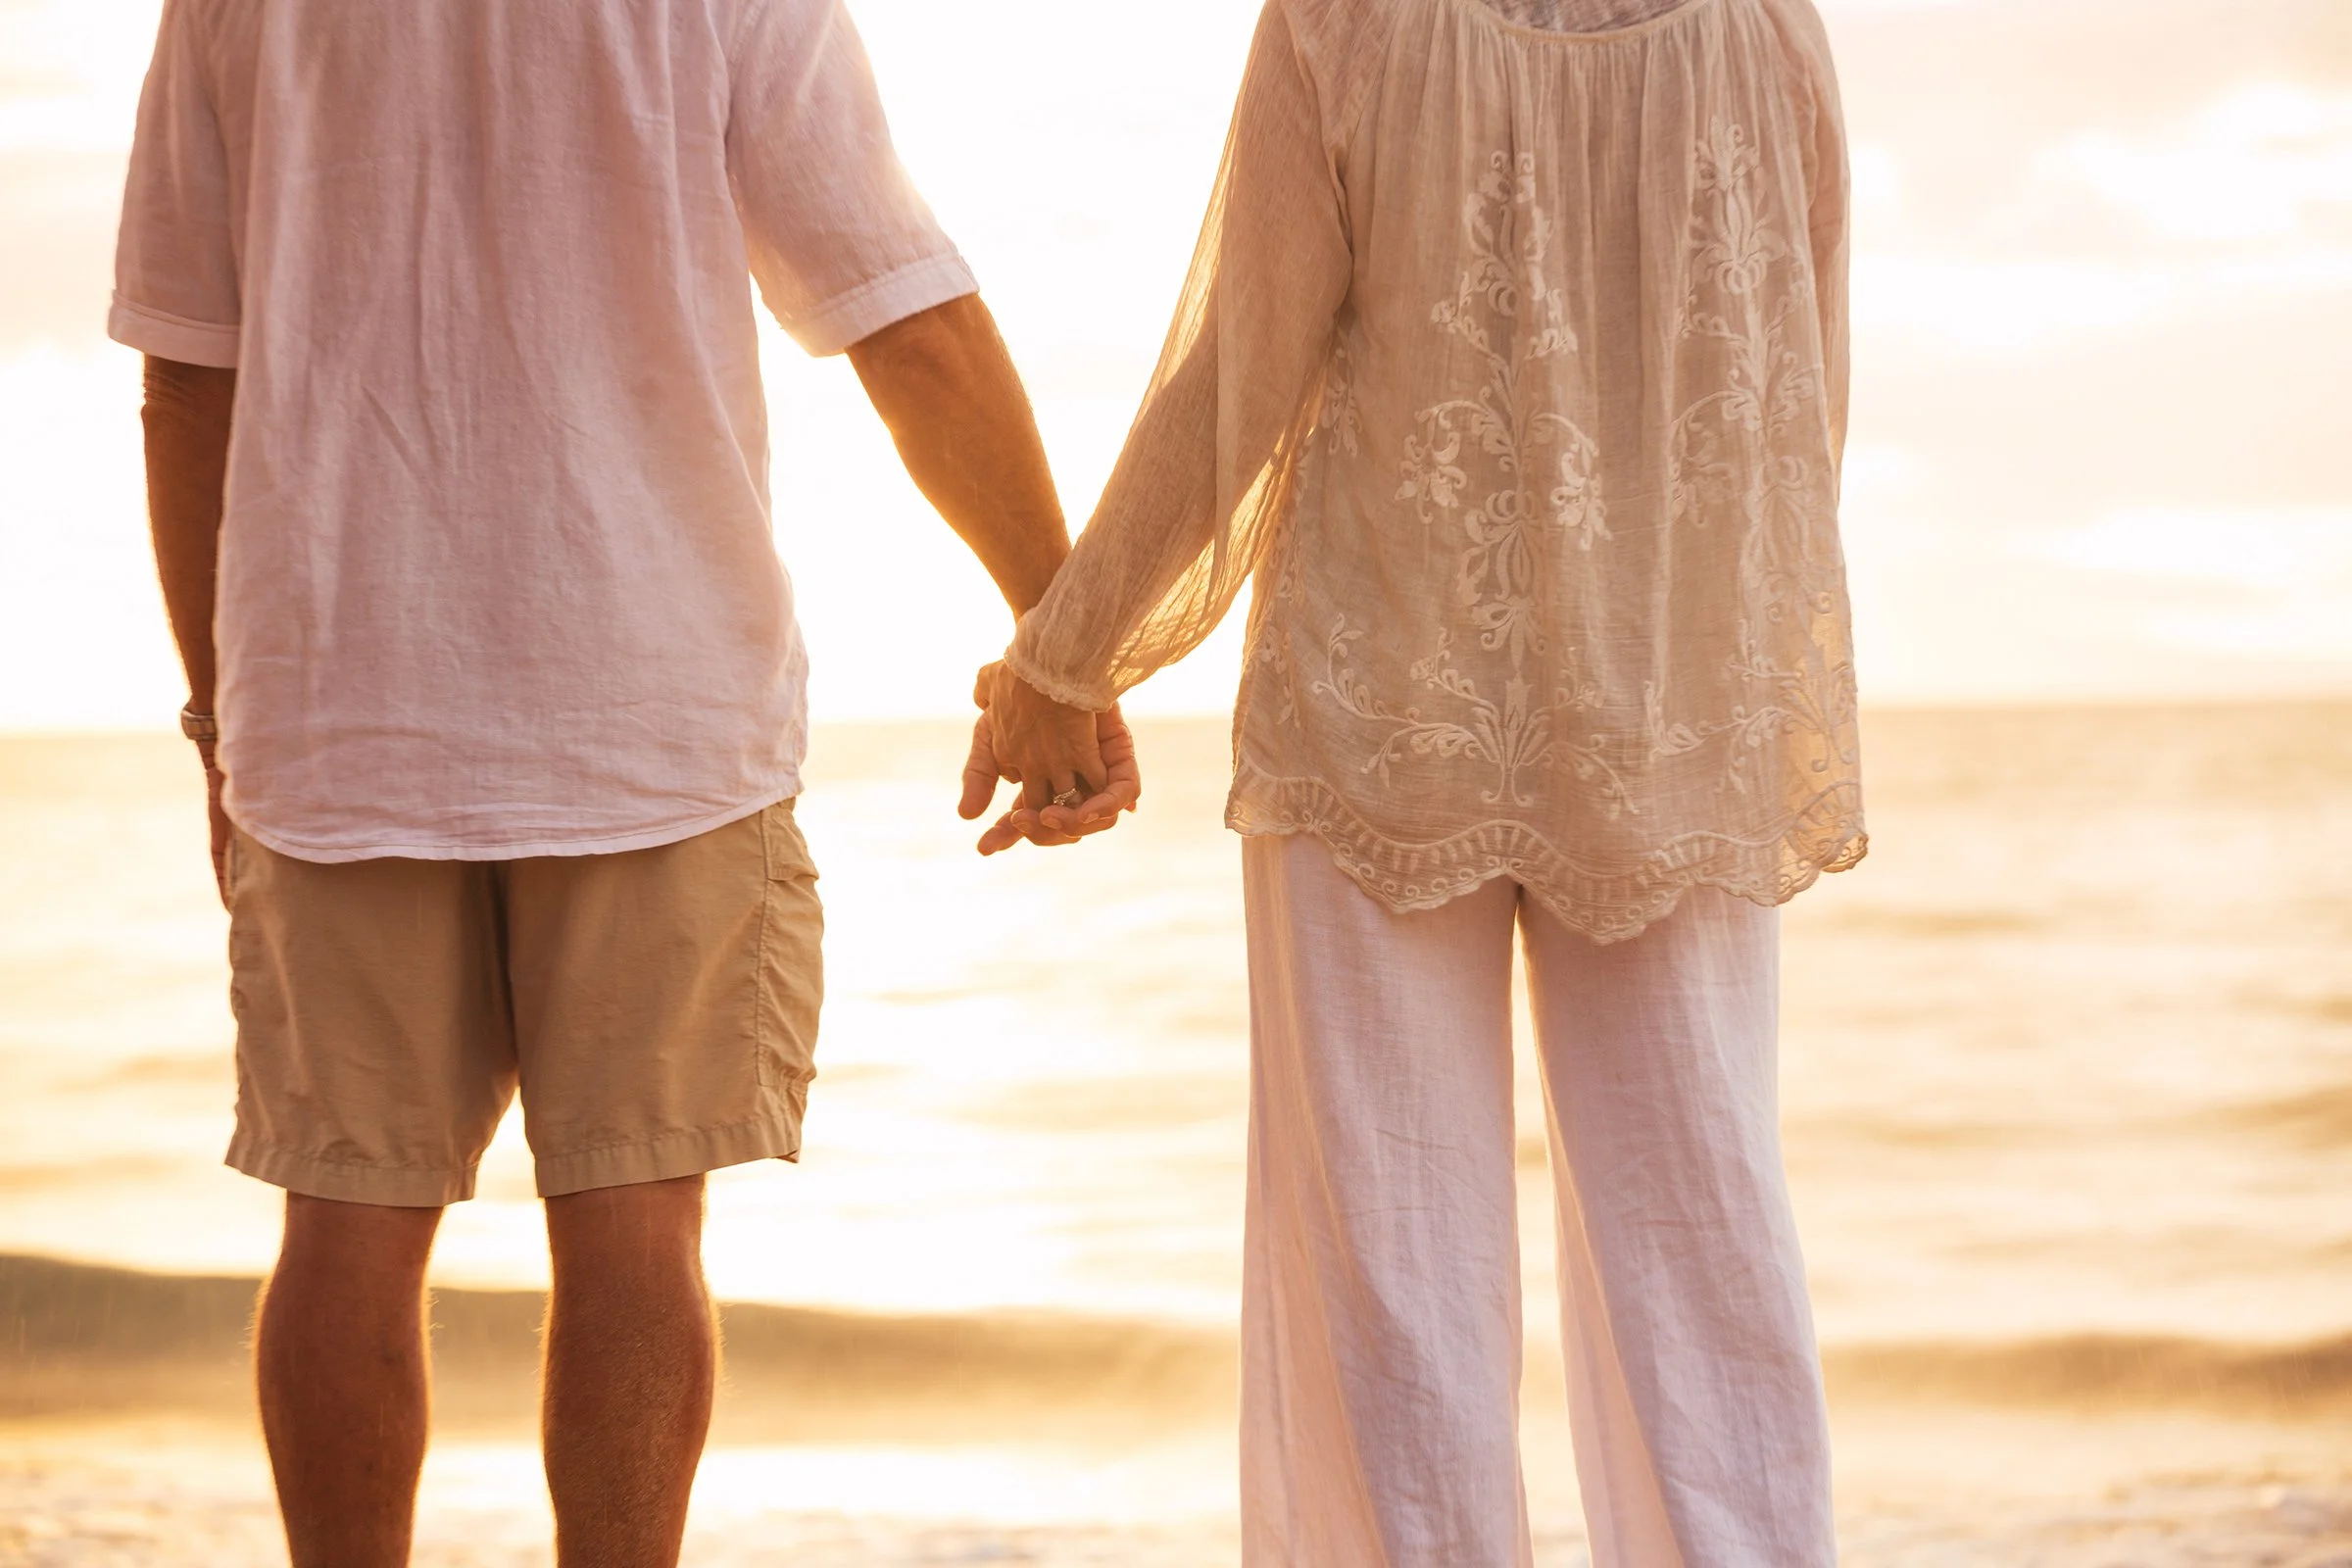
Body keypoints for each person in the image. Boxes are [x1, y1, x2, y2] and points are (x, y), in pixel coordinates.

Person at [112, 1, 1132, 1563]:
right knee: (638, 1222)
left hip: (338, 705)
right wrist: (1060, 636)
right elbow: (902, 321)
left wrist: (218, 720)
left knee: (346, 1222)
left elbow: (189, 382)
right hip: (650, 699)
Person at [967, 0, 1862, 1561]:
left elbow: (1240, 375)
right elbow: (1802, 393)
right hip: (1672, 704)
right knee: (1702, 1250)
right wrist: (1721, 667)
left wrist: (1067, 659)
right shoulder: (1765, 26)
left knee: (1397, 1275)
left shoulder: (1351, 20)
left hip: (1385, 695)